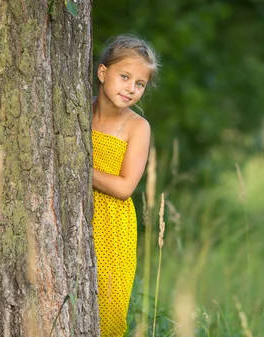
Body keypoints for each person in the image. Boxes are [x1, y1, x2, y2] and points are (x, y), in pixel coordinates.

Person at [91, 34, 159, 336]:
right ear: (103, 72)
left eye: (140, 83)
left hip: (113, 228)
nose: (131, 88)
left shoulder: (136, 127)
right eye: (124, 77)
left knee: (107, 312)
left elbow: (124, 187)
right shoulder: (75, 110)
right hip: (72, 218)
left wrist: (78, 169)